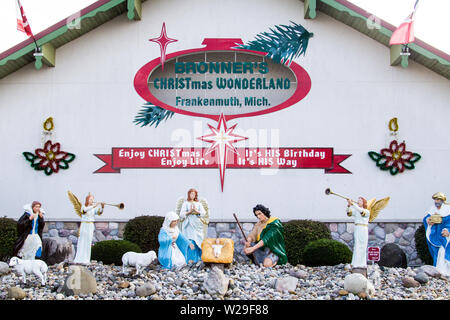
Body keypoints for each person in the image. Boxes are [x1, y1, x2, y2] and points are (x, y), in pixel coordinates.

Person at [73, 193, 105, 265]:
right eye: (90, 199)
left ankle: (86, 259)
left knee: (88, 241)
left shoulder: (94, 208)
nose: (92, 200)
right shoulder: (83, 207)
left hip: (90, 225)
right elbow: (85, 210)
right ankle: (79, 258)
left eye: (92, 199)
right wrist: (94, 206)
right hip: (84, 225)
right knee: (82, 241)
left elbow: (99, 212)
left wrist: (102, 207)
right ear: (87, 200)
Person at [423, 192, 450, 277]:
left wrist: (447, 230)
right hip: (435, 235)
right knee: (436, 253)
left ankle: (445, 271)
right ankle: (437, 270)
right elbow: (426, 218)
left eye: (438, 199)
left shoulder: (447, 210)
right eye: (435, 199)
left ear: (442, 200)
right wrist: (428, 221)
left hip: (444, 236)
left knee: (444, 252)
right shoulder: (433, 209)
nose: (436, 201)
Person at [179, 188, 206, 263]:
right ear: (189, 194)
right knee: (191, 240)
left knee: (198, 240)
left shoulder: (198, 203)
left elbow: (203, 213)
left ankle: (198, 259)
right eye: (191, 194)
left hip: (197, 224)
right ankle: (190, 259)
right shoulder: (185, 203)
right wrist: (189, 212)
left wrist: (197, 211)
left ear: (195, 195)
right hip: (189, 225)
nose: (192, 195)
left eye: (193, 194)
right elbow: (181, 214)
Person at [346, 197, 370, 269]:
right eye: (358, 200)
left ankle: (362, 263)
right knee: (357, 244)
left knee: (363, 245)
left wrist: (353, 204)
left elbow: (361, 212)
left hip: (363, 228)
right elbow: (349, 213)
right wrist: (349, 205)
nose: (358, 201)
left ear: (363, 202)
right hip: (357, 228)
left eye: (360, 200)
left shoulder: (367, 211)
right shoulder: (356, 210)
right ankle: (355, 263)